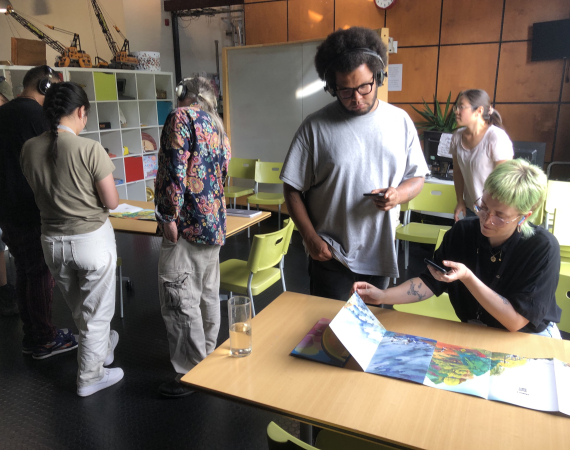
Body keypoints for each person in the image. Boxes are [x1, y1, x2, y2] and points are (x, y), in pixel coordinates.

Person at [280, 27, 429, 301]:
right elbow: (292, 189)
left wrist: (399, 195)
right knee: (328, 330)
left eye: (364, 86)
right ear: (331, 86)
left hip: (380, 254)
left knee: (372, 334)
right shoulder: (315, 127)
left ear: (379, 76)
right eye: (345, 90)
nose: (356, 98)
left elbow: (417, 177)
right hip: (330, 255)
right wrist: (311, 238)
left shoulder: (400, 122)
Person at [354, 159, 562, 338]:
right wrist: (383, 296)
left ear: (525, 216)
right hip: (476, 330)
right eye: (484, 207)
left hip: (528, 337)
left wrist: (467, 277)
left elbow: (515, 322)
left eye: (500, 216)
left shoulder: (542, 248)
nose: (487, 220)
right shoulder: (463, 232)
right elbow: (431, 280)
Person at [20, 81, 123, 396]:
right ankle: (90, 376)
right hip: (91, 240)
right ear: (81, 112)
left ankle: (103, 346)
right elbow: (112, 202)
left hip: (52, 241)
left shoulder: (29, 148)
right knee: (97, 311)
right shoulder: (89, 149)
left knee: (80, 305)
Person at [155, 77, 231, 398]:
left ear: (186, 95)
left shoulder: (180, 118)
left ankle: (191, 372)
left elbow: (175, 168)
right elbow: (223, 175)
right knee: (206, 294)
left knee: (180, 298)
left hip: (185, 224)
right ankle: (209, 356)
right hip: (213, 224)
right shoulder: (218, 127)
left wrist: (169, 216)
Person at [0, 65, 77, 356]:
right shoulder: (36, 117)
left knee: (24, 271)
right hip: (31, 210)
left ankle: (32, 334)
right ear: (45, 87)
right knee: (41, 273)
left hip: (7, 208)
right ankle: (45, 337)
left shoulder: (3, 113)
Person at [451, 89, 513, 221]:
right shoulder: (457, 136)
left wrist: (491, 212)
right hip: (470, 208)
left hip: (494, 211)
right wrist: (460, 201)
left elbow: (504, 179)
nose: (456, 111)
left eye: (461, 107)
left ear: (479, 111)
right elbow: (457, 172)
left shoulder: (496, 136)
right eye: (457, 107)